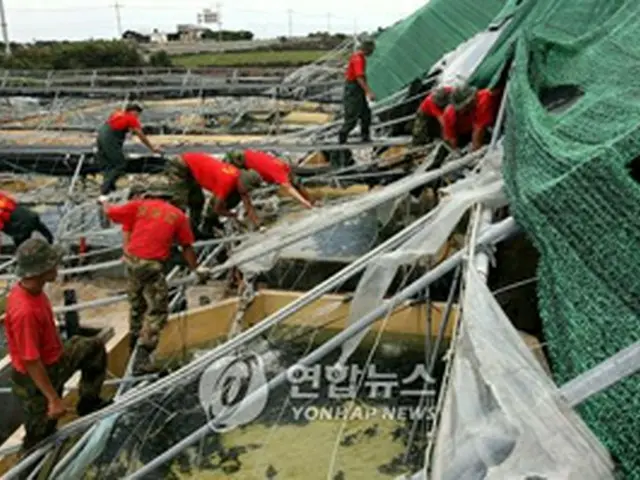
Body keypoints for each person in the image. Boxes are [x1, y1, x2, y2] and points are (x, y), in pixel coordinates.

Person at [4, 238, 110, 450]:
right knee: (39, 438)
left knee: (93, 348)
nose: (57, 267)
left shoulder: (30, 289)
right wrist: (53, 398)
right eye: (53, 263)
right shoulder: (25, 312)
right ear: (39, 270)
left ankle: (88, 402)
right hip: (36, 380)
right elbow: (31, 361)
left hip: (56, 358)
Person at [100, 186, 211, 374]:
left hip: (132, 262)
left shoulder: (139, 206)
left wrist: (104, 201)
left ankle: (133, 344)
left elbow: (110, 212)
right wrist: (197, 269)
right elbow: (187, 247)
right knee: (158, 310)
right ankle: (142, 357)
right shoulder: (178, 216)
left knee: (137, 304)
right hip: (151, 264)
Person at [163, 152, 263, 237]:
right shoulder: (227, 182)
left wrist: (259, 225)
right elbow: (217, 208)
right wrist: (232, 215)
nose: (245, 191)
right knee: (180, 204)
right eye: (245, 188)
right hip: (182, 165)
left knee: (198, 201)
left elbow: (248, 205)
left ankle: (194, 230)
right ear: (242, 182)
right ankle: (171, 234)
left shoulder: (238, 177)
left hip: (194, 167)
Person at [95, 103, 160, 199]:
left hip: (101, 135)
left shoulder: (118, 114)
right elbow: (140, 135)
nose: (138, 117)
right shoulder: (131, 118)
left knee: (108, 164)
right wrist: (152, 148)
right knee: (120, 164)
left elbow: (113, 121)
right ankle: (104, 191)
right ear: (133, 112)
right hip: (109, 138)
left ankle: (110, 187)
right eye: (137, 114)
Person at [225, 150, 314, 209]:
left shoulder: (277, 163)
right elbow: (289, 189)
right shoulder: (280, 173)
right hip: (239, 164)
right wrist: (304, 203)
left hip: (242, 157)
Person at [441, 84, 500, 153]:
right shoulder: (450, 114)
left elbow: (478, 131)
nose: (462, 111)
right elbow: (451, 139)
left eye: (463, 108)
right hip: (466, 133)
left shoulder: (484, 100)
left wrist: (475, 152)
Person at [338, 38, 376, 145]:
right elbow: (359, 78)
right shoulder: (358, 59)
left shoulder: (362, 58)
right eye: (372, 49)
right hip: (353, 90)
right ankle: (342, 138)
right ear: (367, 49)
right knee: (352, 116)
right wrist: (369, 92)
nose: (373, 52)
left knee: (366, 114)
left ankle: (365, 136)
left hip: (358, 89)